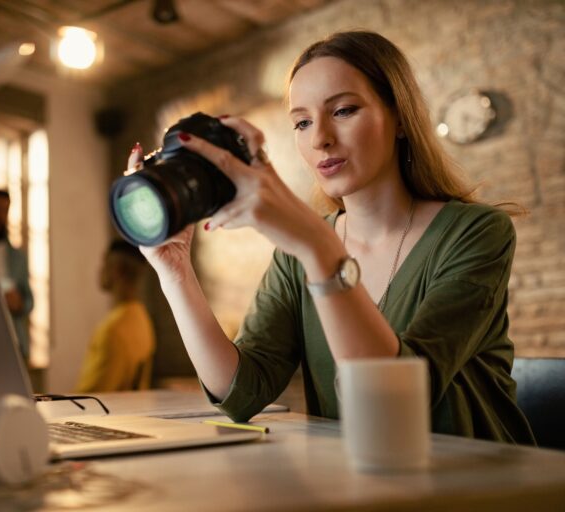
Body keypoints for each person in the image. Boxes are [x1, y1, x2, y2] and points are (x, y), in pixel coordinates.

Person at [128, 30, 534, 444]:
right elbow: (240, 394)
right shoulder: (299, 252)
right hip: (362, 483)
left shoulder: (476, 232)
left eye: (343, 111)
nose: (320, 137)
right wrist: (175, 271)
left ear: (398, 117)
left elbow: (393, 403)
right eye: (302, 122)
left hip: (479, 483)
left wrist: (317, 248)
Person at [75, 240, 156, 393]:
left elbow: (90, 398)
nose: (100, 270)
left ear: (117, 270)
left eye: (104, 263)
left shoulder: (113, 330)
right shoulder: (142, 319)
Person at [0, 189, 34, 363]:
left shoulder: (18, 257)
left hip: (12, 345)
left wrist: (18, 303)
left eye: (5, 210)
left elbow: (29, 301)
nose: (0, 215)